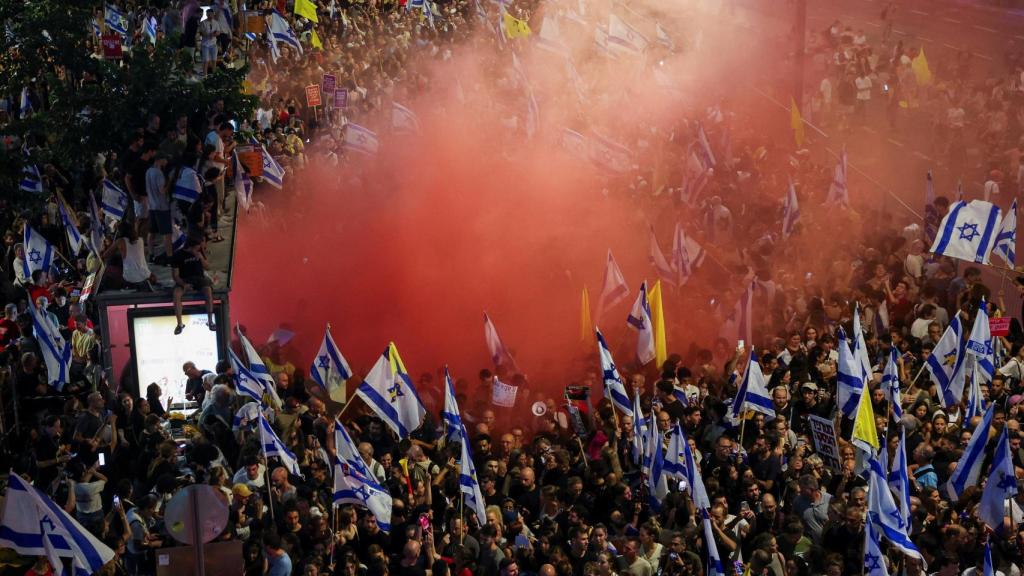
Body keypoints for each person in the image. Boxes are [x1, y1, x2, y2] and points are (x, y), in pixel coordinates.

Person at [171, 235, 215, 334]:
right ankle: (179, 324)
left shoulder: (199, 252)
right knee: (176, 294)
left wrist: (201, 259)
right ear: (190, 246)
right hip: (184, 279)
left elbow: (208, 267)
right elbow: (175, 276)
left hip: (199, 279)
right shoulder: (178, 255)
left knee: (208, 291)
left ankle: (210, 321)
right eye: (197, 247)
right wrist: (184, 285)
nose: (199, 248)